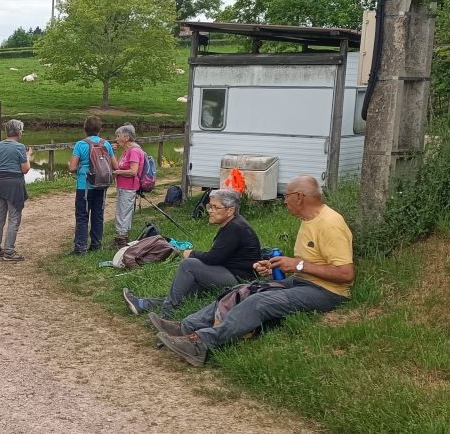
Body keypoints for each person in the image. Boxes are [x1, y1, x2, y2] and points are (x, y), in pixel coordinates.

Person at [153, 176, 355, 367]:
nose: (284, 201)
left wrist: (297, 265)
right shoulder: (308, 220)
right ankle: (186, 327)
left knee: (258, 302)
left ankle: (200, 344)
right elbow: (312, 261)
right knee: (242, 291)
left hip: (328, 292)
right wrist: (277, 265)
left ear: (300, 197)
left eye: (287, 196)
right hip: (303, 281)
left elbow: (346, 275)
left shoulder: (330, 224)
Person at [122, 189, 261, 318]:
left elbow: (213, 258)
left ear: (230, 210)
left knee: (188, 265)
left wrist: (192, 253)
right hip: (229, 271)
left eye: (215, 207)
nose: (210, 211)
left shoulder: (235, 228)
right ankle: (142, 304)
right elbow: (218, 257)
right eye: (209, 206)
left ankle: (167, 313)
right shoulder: (233, 225)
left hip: (238, 279)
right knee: (184, 290)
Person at [68, 115, 114, 255]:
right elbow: (115, 165)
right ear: (99, 129)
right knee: (98, 215)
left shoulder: (80, 144)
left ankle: (80, 247)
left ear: (85, 128)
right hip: (102, 184)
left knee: (82, 216)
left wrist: (81, 167)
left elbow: (72, 168)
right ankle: (96, 245)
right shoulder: (106, 144)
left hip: (85, 185)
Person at [0, 119, 32, 261]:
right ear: (19, 132)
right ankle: (9, 251)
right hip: (14, 184)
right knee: (14, 218)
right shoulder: (20, 147)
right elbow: (25, 169)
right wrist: (28, 156)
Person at [111, 123, 145, 249]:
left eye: (118, 136)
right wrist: (113, 152)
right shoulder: (127, 151)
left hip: (129, 187)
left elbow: (133, 171)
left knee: (123, 212)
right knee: (122, 211)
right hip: (123, 186)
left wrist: (118, 172)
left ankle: (121, 240)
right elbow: (117, 165)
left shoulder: (134, 151)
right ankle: (122, 237)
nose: (116, 139)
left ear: (126, 137)